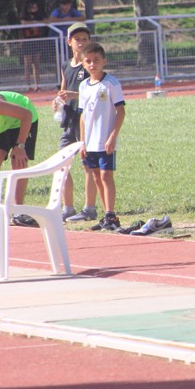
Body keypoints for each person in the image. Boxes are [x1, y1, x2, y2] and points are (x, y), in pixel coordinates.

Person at [77, 43, 126, 232]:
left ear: (104, 61)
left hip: (105, 139)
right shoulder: (83, 86)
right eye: (88, 61)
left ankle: (111, 214)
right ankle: (107, 215)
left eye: (96, 60)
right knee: (96, 176)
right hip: (89, 142)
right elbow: (82, 116)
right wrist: (82, 141)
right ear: (83, 64)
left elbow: (120, 111)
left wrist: (113, 136)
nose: (92, 64)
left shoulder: (111, 83)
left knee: (106, 176)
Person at [57, 23, 98, 222]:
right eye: (76, 39)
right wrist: (59, 101)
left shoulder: (90, 64)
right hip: (69, 120)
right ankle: (68, 207)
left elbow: (94, 88)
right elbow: (63, 90)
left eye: (84, 38)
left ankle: (90, 207)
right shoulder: (66, 65)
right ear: (69, 42)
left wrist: (74, 95)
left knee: (87, 164)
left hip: (84, 121)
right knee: (61, 163)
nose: (80, 42)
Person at [0, 91, 38, 210]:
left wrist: (20, 146)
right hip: (1, 125)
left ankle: (18, 209)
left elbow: (27, 115)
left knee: (18, 160)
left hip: (23, 118)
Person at [19, 0, 48, 91]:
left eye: (36, 7)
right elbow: (23, 23)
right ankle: (29, 86)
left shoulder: (39, 16)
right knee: (27, 64)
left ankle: (37, 85)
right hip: (27, 41)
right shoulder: (24, 16)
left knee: (36, 64)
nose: (34, 9)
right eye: (32, 7)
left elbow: (46, 22)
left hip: (36, 41)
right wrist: (34, 23)